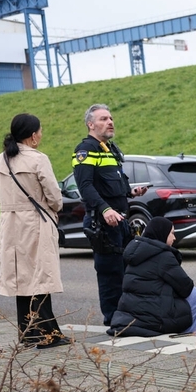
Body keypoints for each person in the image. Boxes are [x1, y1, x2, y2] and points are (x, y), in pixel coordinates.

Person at [0, 113, 71, 349]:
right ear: (33, 135)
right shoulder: (38, 159)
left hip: (9, 223)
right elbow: (54, 197)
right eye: (40, 130)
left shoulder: (0, 160)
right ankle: (48, 335)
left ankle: (28, 333)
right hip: (35, 222)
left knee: (20, 278)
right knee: (40, 277)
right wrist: (54, 208)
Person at [72, 104, 148, 326]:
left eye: (111, 118)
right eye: (104, 119)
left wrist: (131, 192)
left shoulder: (109, 149)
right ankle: (113, 319)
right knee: (110, 273)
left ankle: (126, 315)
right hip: (102, 223)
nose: (110, 121)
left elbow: (112, 185)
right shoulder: (85, 150)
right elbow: (85, 187)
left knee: (125, 271)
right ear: (91, 124)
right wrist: (105, 209)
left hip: (121, 221)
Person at [108, 217, 196, 337]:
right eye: (172, 233)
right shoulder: (163, 256)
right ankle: (193, 335)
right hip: (154, 319)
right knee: (195, 294)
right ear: (162, 234)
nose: (174, 238)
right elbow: (186, 287)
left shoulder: (135, 252)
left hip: (128, 315)